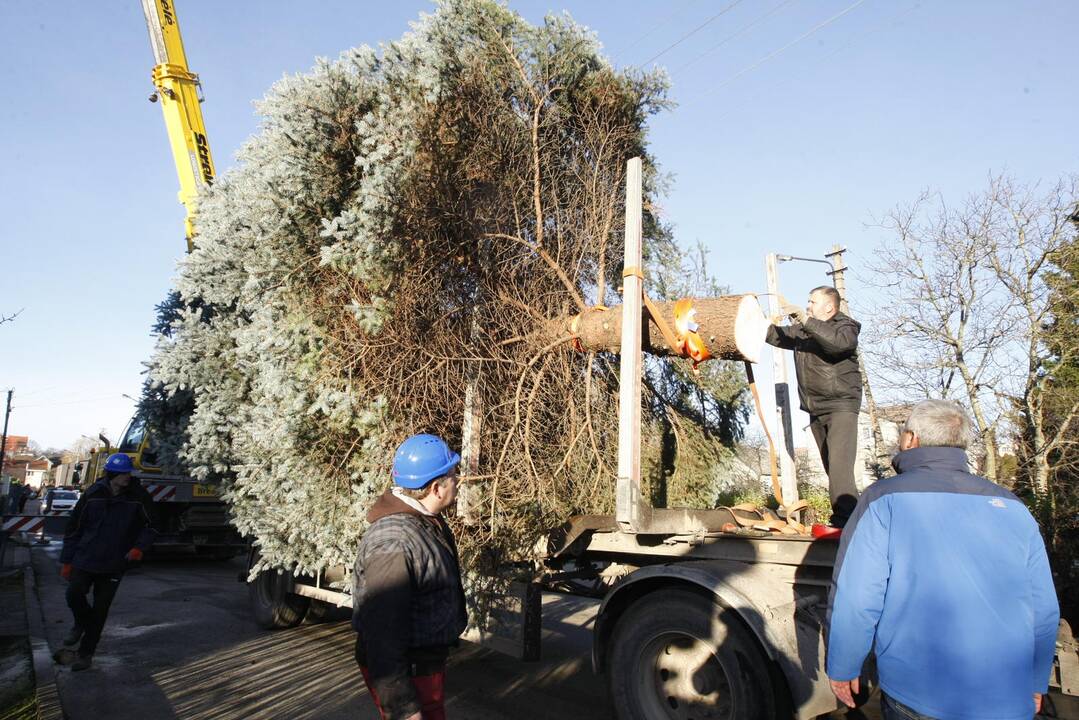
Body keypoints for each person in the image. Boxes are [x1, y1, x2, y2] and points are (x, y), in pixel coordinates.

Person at [826, 400, 1059, 720]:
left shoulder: (884, 499)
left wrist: (843, 666)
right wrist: (1035, 681)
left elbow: (858, 597)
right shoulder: (1013, 506)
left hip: (920, 696)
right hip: (1008, 695)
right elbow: (1043, 608)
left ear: (911, 439)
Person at [352, 434, 468, 720]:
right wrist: (404, 707)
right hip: (410, 673)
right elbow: (382, 632)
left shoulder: (424, 522)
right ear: (436, 488)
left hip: (422, 666)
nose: (458, 481)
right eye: (453, 475)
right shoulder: (395, 542)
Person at [766, 285, 862, 528]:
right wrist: (755, 323)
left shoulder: (845, 326)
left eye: (812, 302)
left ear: (829, 307)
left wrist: (806, 320)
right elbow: (777, 336)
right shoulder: (805, 330)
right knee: (832, 467)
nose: (807, 306)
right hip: (815, 408)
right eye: (807, 302)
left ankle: (845, 522)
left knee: (840, 469)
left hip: (840, 405)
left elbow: (838, 344)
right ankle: (854, 518)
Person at [56, 453, 155, 671]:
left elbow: (151, 526)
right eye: (123, 474)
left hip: (114, 562)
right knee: (74, 594)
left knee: (101, 610)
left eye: (128, 473)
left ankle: (85, 654)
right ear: (112, 474)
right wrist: (67, 561)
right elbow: (75, 528)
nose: (127, 477)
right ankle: (81, 622)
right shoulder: (93, 495)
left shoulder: (138, 497)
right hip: (85, 558)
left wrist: (139, 548)